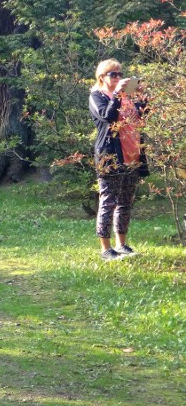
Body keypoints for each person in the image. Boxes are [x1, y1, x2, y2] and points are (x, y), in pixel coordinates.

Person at [89, 58, 148, 261]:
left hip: (132, 156)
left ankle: (121, 244)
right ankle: (106, 249)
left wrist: (142, 96)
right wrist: (117, 95)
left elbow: (145, 117)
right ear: (102, 77)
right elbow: (108, 117)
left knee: (125, 202)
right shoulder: (97, 96)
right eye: (112, 74)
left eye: (120, 74)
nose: (117, 77)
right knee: (108, 201)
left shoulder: (128, 98)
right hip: (110, 157)